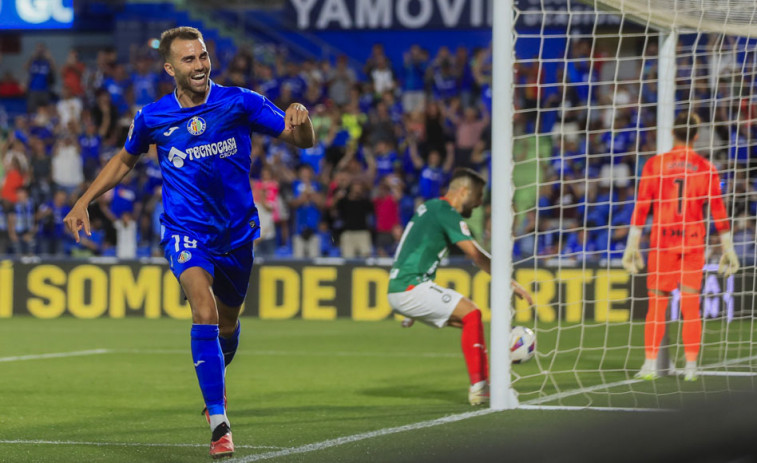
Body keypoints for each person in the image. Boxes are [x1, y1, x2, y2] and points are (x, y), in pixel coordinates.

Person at [64, 26, 314, 458]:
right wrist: (85, 199)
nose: (199, 65)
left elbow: (299, 140)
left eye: (202, 57)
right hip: (185, 231)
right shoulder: (152, 117)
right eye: (188, 60)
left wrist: (304, 122)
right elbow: (125, 159)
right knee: (203, 308)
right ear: (169, 68)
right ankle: (219, 421)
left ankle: (216, 383)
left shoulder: (241, 101)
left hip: (236, 234)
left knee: (228, 326)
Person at [386, 168, 533, 406]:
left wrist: (408, 307)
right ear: (463, 191)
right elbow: (476, 255)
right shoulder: (446, 211)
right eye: (476, 199)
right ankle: (481, 388)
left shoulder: (429, 207)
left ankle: (484, 384)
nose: (476, 206)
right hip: (410, 286)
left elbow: (408, 248)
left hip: (401, 287)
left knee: (470, 320)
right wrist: (510, 281)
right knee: (472, 312)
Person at [622, 112, 739, 382]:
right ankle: (690, 368)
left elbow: (642, 206)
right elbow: (718, 211)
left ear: (672, 133)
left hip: (662, 242)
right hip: (693, 241)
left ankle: (650, 364)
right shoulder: (707, 168)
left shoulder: (655, 164)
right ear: (696, 136)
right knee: (690, 306)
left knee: (657, 305)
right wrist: (728, 248)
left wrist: (632, 244)